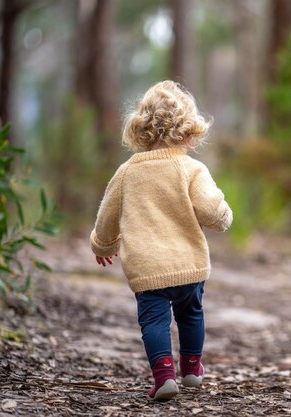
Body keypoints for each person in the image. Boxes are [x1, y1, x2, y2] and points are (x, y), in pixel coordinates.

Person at [90, 80, 232, 401]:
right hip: (189, 266)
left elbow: (107, 216)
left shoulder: (128, 172)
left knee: (153, 321)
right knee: (191, 313)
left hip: (148, 269)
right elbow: (212, 209)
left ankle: (164, 374)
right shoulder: (191, 168)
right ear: (189, 129)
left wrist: (103, 244)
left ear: (140, 128)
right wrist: (224, 217)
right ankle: (193, 368)